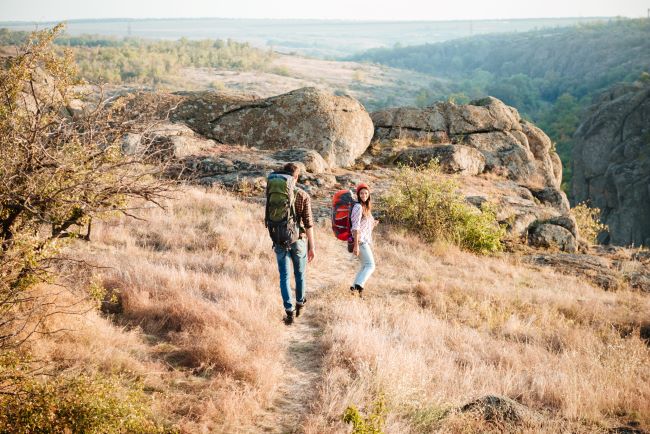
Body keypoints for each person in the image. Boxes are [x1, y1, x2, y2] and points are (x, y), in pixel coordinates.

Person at [273, 163, 316, 325]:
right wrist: (312, 247)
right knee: (300, 274)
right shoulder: (303, 195)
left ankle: (289, 312)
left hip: (279, 238)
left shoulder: (276, 193)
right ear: (296, 177)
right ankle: (300, 303)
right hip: (298, 240)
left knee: (284, 276)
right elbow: (309, 224)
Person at [350, 183, 377, 297]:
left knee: (364, 266)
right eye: (361, 193)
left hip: (364, 240)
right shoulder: (358, 207)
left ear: (369, 194)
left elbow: (364, 226)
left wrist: (373, 224)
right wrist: (356, 245)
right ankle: (358, 287)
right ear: (358, 194)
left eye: (366, 193)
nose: (364, 195)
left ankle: (353, 290)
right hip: (360, 241)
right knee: (370, 265)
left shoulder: (366, 207)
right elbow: (355, 227)